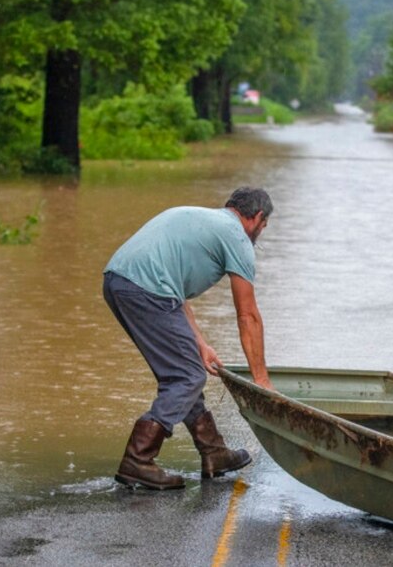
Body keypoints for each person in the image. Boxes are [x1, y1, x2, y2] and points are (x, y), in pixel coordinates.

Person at [103, 187, 274, 490]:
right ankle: (138, 459)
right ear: (258, 217)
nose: (262, 230)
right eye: (264, 224)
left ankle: (214, 453)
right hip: (145, 289)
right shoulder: (237, 238)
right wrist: (261, 380)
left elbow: (175, 292)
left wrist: (200, 344)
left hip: (118, 281)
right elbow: (248, 315)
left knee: (185, 370)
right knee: (187, 376)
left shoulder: (200, 219)